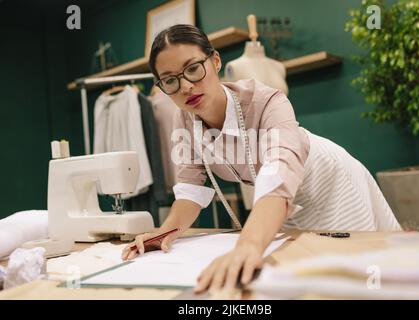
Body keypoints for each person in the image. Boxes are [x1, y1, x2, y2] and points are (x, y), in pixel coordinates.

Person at [121, 24, 401, 293]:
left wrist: (247, 246)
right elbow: (190, 189)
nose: (185, 87)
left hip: (328, 181)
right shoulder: (184, 120)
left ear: (215, 61)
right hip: (277, 202)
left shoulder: (267, 102)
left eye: (193, 69)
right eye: (170, 80)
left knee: (355, 270)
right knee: (299, 271)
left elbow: (277, 177)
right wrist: (165, 232)